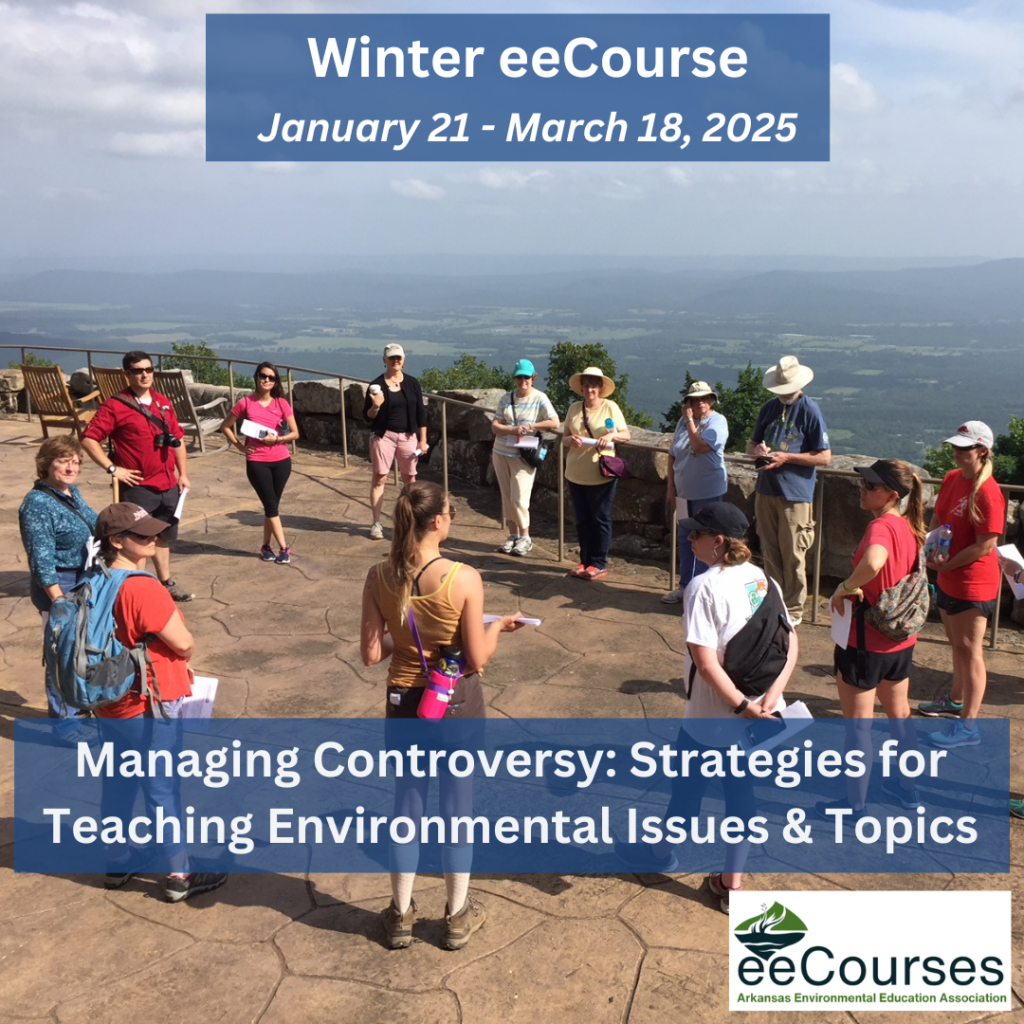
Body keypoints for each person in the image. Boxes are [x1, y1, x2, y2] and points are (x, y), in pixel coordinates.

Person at [360, 481, 523, 950]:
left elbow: (372, 652)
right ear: (438, 521)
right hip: (454, 703)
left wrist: (406, 635)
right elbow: (475, 658)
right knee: (457, 810)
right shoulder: (463, 577)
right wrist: (497, 627)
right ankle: (455, 915)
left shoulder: (379, 575)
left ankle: (400, 914)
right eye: (450, 510)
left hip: (403, 702)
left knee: (406, 808)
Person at [615, 503, 798, 912]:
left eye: (695, 534)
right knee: (742, 795)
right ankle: (731, 884)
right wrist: (771, 696)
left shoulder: (703, 587)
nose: (688, 539)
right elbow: (790, 641)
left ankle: (661, 852)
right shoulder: (765, 579)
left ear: (718, 542)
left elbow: (705, 661)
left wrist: (738, 706)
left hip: (713, 715)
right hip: (764, 707)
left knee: (687, 788)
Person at [93, 502, 227, 902]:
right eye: (141, 535)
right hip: (148, 702)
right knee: (162, 789)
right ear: (116, 542)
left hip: (109, 701)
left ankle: (117, 862)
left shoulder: (93, 579)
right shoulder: (141, 586)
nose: (152, 538)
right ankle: (180, 874)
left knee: (116, 783)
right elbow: (182, 642)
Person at [823, 460, 926, 817]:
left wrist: (846, 586)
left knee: (859, 729)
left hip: (865, 641)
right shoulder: (909, 527)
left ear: (892, 495)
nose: (862, 490)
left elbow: (874, 563)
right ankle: (908, 790)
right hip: (899, 640)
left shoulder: (880, 527)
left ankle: (856, 805)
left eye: (870, 486)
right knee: (901, 716)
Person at [917, 422, 1005, 749]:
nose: (956, 452)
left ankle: (969, 725)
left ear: (981, 451)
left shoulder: (988, 491)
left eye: (964, 448)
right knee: (956, 644)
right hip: (948, 573)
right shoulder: (954, 478)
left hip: (973, 582)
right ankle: (954, 701)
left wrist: (947, 564)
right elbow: (939, 517)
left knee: (970, 651)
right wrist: (930, 549)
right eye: (955, 446)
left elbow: (986, 544)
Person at [82, 350, 194, 601]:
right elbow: (89, 438)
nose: (144, 375)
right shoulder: (115, 405)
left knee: (163, 535)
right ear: (127, 374)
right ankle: (137, 591)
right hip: (138, 486)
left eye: (148, 369)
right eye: (137, 370)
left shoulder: (163, 402)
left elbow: (177, 441)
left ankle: (166, 583)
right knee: (137, 542)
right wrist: (112, 468)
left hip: (168, 484)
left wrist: (183, 474)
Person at [18, 436, 98, 741]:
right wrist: (58, 601)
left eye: (76, 461)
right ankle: (64, 723)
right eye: (64, 460)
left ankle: (78, 707)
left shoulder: (70, 492)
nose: (71, 467)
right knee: (61, 655)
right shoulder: (37, 504)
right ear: (46, 463)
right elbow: (41, 559)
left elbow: (93, 522)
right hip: (59, 586)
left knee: (81, 652)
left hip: (82, 580)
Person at [747, 355, 831, 625]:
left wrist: (787, 459)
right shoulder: (769, 408)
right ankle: (775, 602)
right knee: (769, 552)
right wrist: (758, 452)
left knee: (794, 554)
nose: (782, 394)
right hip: (766, 488)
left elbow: (824, 457)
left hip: (796, 493)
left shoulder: (810, 411)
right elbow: (751, 446)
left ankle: (793, 611)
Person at [220, 360, 300, 563]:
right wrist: (240, 447)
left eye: (271, 377)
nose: (266, 380)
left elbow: (295, 433)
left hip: (281, 461)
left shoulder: (281, 403)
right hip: (257, 461)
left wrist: (278, 439)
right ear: (256, 377)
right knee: (272, 507)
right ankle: (284, 548)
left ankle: (266, 547)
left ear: (275, 382)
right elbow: (226, 426)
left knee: (270, 506)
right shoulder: (245, 403)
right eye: (263, 376)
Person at [662, 380, 729, 604]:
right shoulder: (683, 422)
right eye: (695, 399)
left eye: (704, 398)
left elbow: (700, 447)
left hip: (708, 491)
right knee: (685, 538)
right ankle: (685, 587)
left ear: (711, 400)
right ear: (688, 402)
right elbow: (673, 454)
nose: (700, 402)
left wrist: (690, 420)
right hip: (684, 493)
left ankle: (702, 591)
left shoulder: (717, 421)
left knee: (706, 540)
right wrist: (671, 487)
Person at [562, 366, 631, 581]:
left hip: (601, 473)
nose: (590, 388)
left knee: (600, 518)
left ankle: (598, 562)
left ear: (600, 387)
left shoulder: (610, 407)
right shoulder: (574, 408)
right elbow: (563, 437)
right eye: (586, 384)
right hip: (575, 472)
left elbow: (626, 434)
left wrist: (611, 437)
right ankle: (585, 560)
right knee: (582, 520)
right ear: (581, 387)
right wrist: (569, 440)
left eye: (594, 384)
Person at [490, 359, 559, 556]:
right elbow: (495, 426)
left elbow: (554, 422)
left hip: (523, 455)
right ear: (515, 378)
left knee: (519, 497)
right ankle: (513, 535)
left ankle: (525, 537)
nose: (523, 380)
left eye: (526, 377)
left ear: (533, 378)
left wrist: (531, 427)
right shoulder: (506, 397)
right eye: (519, 377)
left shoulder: (540, 398)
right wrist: (513, 429)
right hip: (501, 451)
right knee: (506, 496)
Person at [363, 343, 429, 540]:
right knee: (380, 476)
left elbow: (420, 413)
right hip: (384, 436)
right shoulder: (376, 385)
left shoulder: (412, 383)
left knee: (410, 479)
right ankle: (376, 523)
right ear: (385, 360)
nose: (396, 360)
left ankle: (411, 521)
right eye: (392, 357)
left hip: (408, 435)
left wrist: (423, 440)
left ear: (404, 359)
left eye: (398, 357)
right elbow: (367, 416)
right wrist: (376, 406)